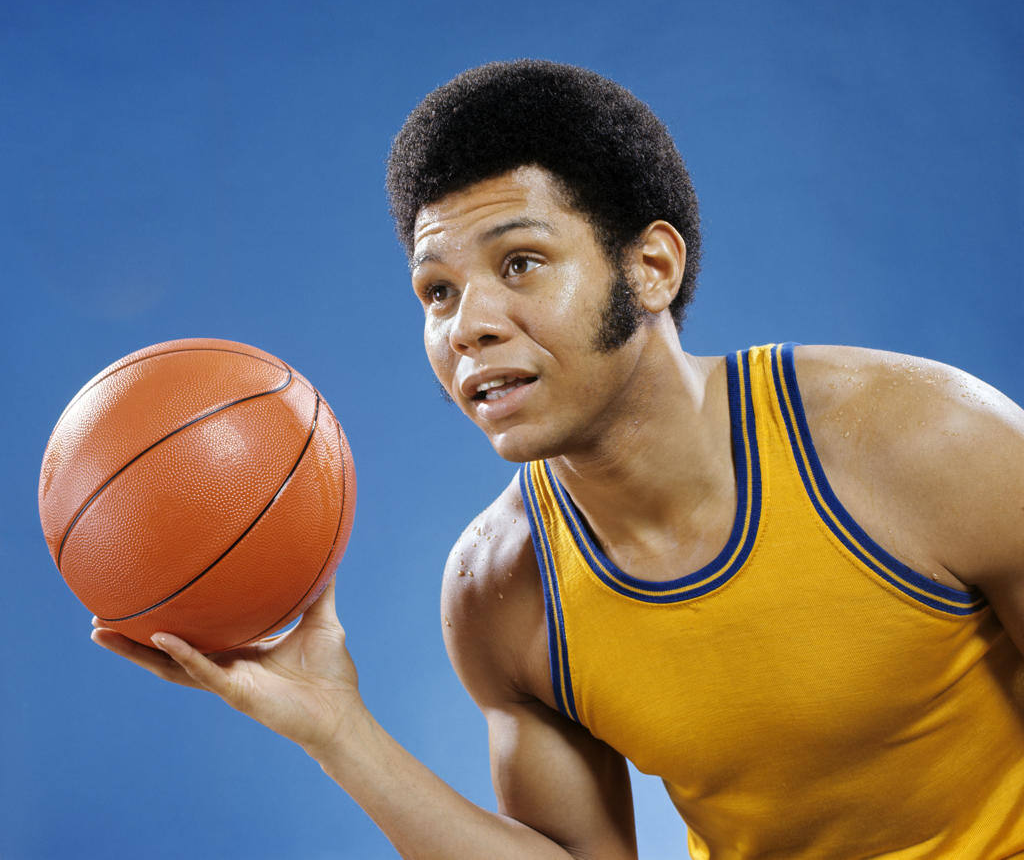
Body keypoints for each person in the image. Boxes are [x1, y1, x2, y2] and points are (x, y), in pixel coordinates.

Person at [92, 60, 1024, 859]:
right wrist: (336, 728)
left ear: (651, 267)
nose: (470, 325)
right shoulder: (502, 589)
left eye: (522, 262)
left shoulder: (918, 439)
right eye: (437, 290)